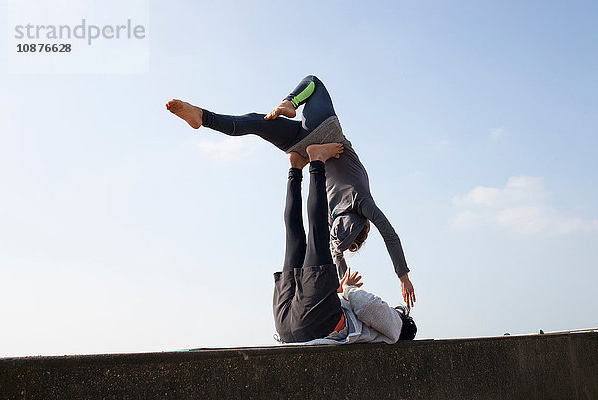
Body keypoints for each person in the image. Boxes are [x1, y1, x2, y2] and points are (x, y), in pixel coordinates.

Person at [166, 75, 416, 309]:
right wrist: (344, 289)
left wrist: (404, 276)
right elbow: (337, 255)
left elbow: (389, 234)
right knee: (257, 122)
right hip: (303, 149)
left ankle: (287, 102)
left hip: (325, 131)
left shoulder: (361, 201)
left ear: (363, 225)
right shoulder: (331, 220)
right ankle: (202, 117)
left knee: (313, 82)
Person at [273, 143, 416, 344]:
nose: (389, 309)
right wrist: (340, 287)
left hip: (316, 321)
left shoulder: (395, 326)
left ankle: (317, 161)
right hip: (287, 326)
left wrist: (348, 288)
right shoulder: (372, 335)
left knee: (316, 231)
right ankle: (295, 168)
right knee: (294, 238)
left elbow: (364, 305)